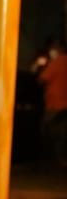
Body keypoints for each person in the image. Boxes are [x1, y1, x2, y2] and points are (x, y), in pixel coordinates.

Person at [37, 36, 67, 166]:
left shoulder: (56, 62)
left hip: (55, 104)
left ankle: (56, 160)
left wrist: (39, 66)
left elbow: (42, 79)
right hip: (63, 104)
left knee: (49, 131)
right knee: (61, 132)